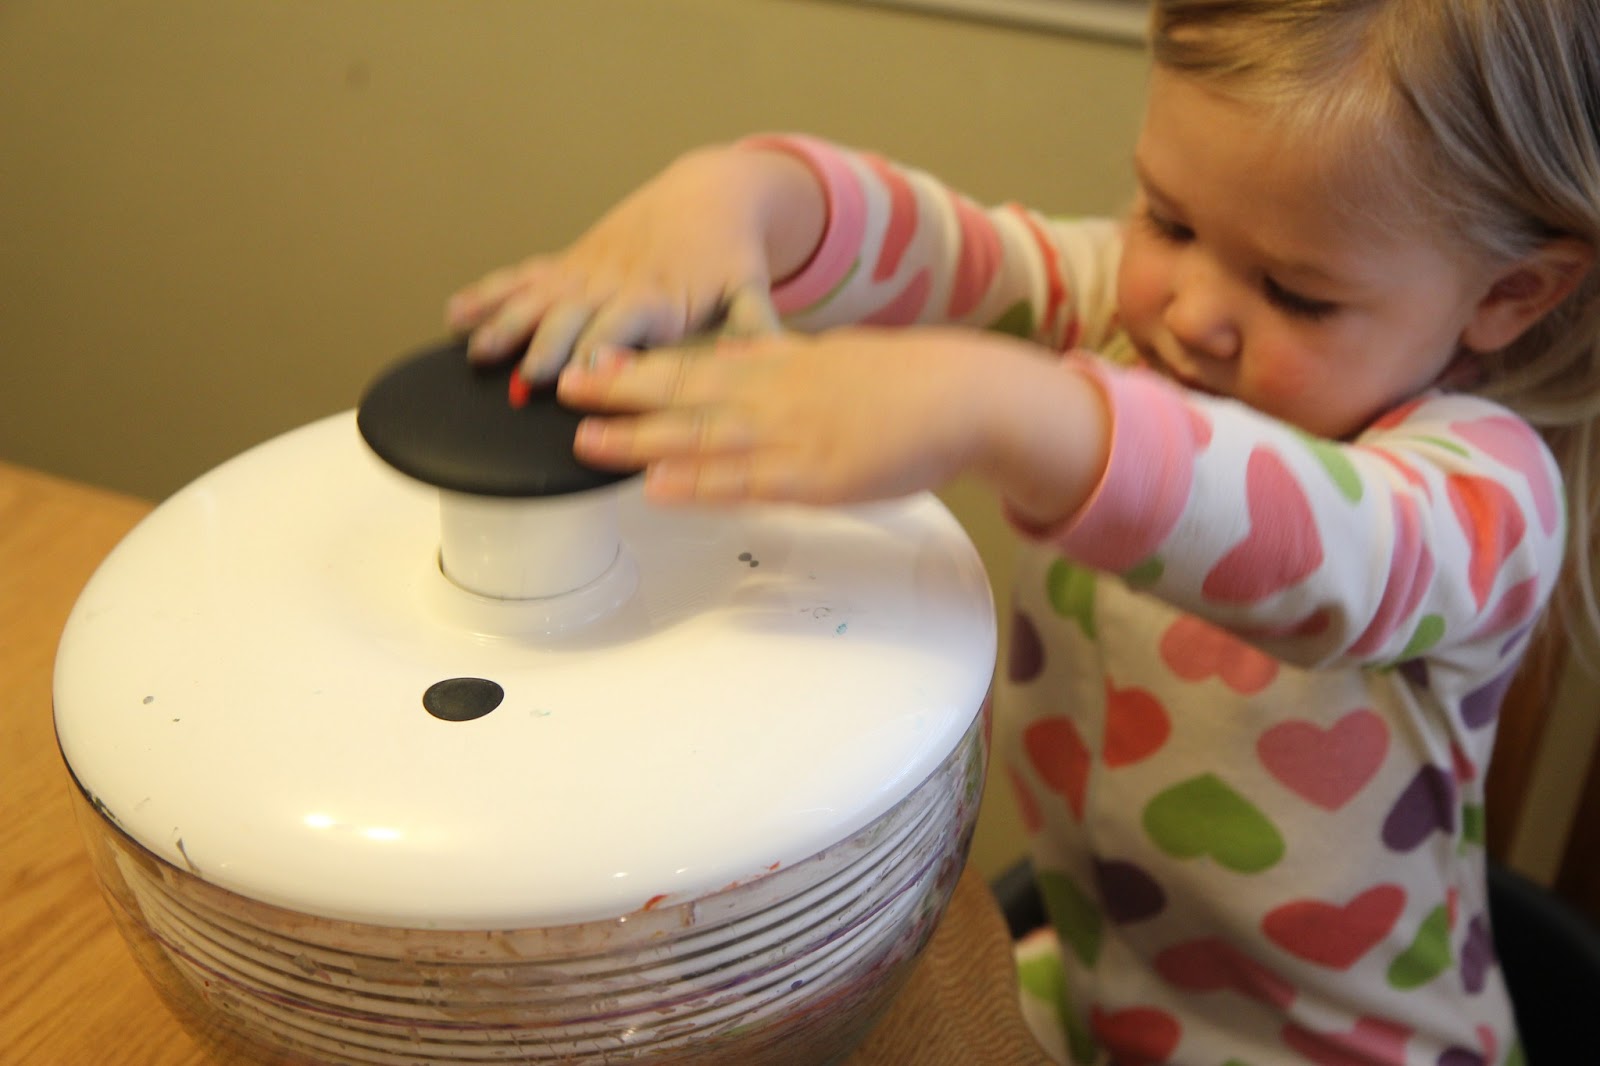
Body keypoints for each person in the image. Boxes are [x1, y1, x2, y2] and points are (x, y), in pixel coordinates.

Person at [445, 1, 1600, 1061]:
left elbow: (1338, 557)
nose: (1190, 312)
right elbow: (951, 248)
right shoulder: (1118, 309)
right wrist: (742, 195)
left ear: (1510, 293)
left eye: (1295, 294)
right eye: (1168, 217)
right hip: (1104, 982)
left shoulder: (1480, 489)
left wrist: (1005, 406)